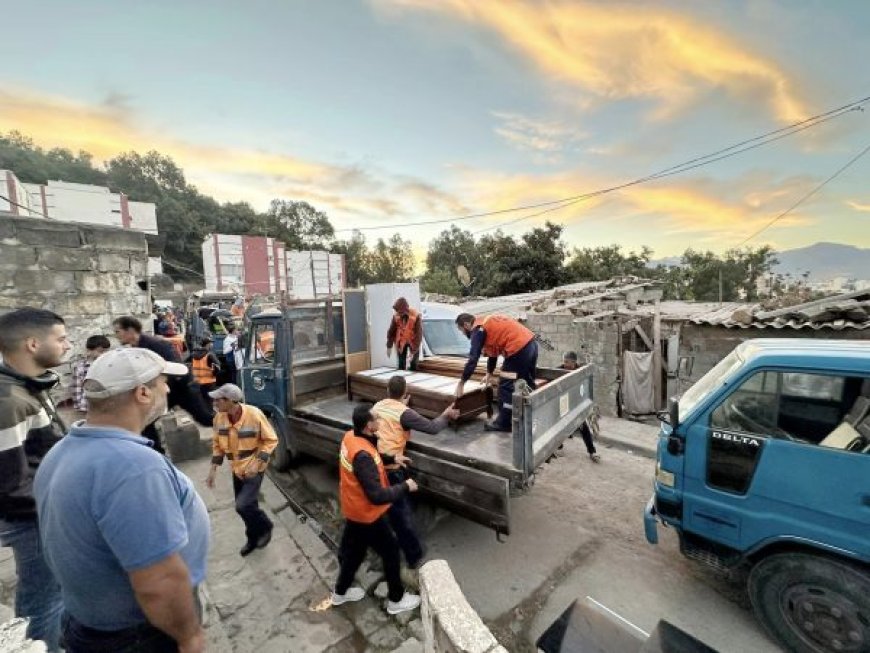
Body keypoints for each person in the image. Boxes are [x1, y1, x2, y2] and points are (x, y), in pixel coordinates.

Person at [34, 348, 209, 653]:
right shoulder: (133, 467)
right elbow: (159, 582)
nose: (168, 388)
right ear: (143, 393)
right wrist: (189, 637)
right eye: (163, 382)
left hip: (94, 624)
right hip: (140, 635)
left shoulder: (62, 452)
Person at [0, 308, 69, 651]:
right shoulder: (9, 401)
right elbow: (12, 487)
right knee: (44, 599)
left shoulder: (27, 387)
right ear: (32, 343)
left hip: (41, 509)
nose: (67, 346)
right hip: (32, 518)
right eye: (61, 339)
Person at [332, 405, 421, 615]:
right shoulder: (363, 455)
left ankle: (340, 592)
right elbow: (377, 495)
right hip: (367, 514)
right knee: (391, 552)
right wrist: (405, 486)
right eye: (377, 419)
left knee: (353, 553)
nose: (380, 421)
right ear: (368, 426)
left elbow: (372, 456)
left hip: (353, 508)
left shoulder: (350, 437)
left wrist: (392, 458)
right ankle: (396, 600)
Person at [372, 376, 459, 568]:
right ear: (405, 392)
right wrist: (446, 414)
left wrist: (402, 404)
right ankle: (414, 557)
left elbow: (388, 415)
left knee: (389, 509)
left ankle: (387, 540)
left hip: (375, 464)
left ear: (387, 390)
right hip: (392, 468)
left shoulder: (378, 406)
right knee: (402, 515)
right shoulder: (405, 413)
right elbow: (432, 427)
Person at [113, 316, 214, 453]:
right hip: (164, 392)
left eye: (118, 331)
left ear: (130, 330)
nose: (116, 336)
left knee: (205, 418)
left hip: (182, 388)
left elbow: (176, 367)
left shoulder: (155, 344)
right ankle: (158, 454)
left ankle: (239, 424)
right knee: (146, 422)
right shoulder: (134, 349)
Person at [205, 384, 277, 556]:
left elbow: (271, 440)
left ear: (230, 401)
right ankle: (252, 539)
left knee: (242, 506)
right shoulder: (219, 419)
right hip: (237, 469)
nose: (214, 403)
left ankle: (266, 525)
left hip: (254, 468)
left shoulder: (254, 414)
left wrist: (257, 463)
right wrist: (213, 469)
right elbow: (217, 444)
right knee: (248, 507)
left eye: (218, 400)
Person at [454, 313, 538, 432]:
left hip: (518, 348)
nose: (463, 334)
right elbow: (492, 354)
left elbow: (473, 358)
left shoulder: (477, 330)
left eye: (461, 330)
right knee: (527, 382)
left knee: (505, 385)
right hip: (531, 344)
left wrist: (461, 383)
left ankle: (504, 423)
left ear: (467, 325)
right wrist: (489, 373)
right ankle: (531, 415)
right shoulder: (485, 321)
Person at [561, 351, 601, 462]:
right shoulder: (560, 370)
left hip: (577, 404)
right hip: (565, 404)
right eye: (564, 361)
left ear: (573, 362)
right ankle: (558, 447)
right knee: (559, 428)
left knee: (584, 428)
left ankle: (592, 451)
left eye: (567, 362)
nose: (565, 364)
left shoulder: (580, 372)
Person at [71, 334, 111, 412]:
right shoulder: (81, 368)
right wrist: (79, 405)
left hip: (107, 406)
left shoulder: (110, 366)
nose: (103, 354)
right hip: (88, 406)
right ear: (89, 351)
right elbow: (76, 387)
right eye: (100, 351)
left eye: (106, 351)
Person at [386, 297, 421, 371]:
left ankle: (413, 377)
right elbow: (391, 332)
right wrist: (389, 346)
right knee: (401, 363)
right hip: (401, 341)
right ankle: (401, 378)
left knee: (414, 363)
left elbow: (419, 334)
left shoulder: (415, 315)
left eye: (400, 312)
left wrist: (413, 352)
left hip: (413, 341)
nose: (399, 313)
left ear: (405, 310)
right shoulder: (396, 316)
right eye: (398, 311)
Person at [190, 337, 221, 404]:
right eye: (211, 343)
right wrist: (214, 374)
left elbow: (188, 365)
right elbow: (218, 367)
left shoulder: (193, 354)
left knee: (201, 402)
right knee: (209, 402)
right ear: (208, 344)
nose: (212, 344)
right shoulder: (210, 355)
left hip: (197, 382)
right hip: (209, 382)